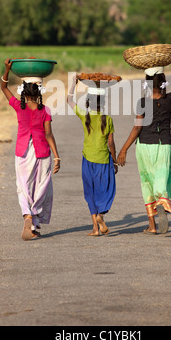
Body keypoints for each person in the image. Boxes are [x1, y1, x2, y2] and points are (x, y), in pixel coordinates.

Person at [117, 49, 171, 235]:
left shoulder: (142, 102)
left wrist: (124, 149)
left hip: (144, 146)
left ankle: (152, 226)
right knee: (161, 180)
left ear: (147, 84)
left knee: (147, 183)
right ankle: (162, 201)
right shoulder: (170, 99)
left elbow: (137, 128)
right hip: (164, 145)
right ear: (163, 83)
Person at [1, 58, 60, 240]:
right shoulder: (46, 111)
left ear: (24, 92)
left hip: (23, 151)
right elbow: (49, 135)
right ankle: (33, 221)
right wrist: (57, 157)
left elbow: (4, 88)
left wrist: (7, 70)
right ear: (40, 92)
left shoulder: (19, 107)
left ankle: (28, 217)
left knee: (23, 186)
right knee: (41, 187)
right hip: (42, 152)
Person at [67, 74, 117, 236]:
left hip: (87, 159)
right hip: (103, 159)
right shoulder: (108, 119)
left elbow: (69, 101)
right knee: (107, 190)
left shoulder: (85, 116)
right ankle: (100, 216)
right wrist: (115, 160)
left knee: (90, 192)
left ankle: (95, 228)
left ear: (88, 102)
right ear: (102, 103)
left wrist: (73, 85)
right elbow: (111, 144)